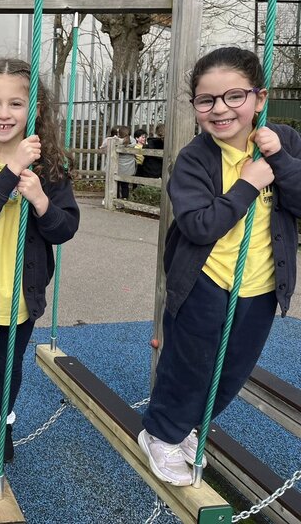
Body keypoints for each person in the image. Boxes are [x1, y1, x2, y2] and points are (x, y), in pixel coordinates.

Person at [139, 47, 301, 486]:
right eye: (206, 100)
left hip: (263, 285)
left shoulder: (283, 140)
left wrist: (281, 162)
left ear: (259, 98)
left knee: (234, 370)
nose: (221, 109)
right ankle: (160, 433)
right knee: (189, 365)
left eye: (234, 96)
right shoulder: (194, 160)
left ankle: (189, 426)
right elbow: (198, 224)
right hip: (206, 282)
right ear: (195, 107)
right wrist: (248, 184)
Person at [0, 58, 80, 470]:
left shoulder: (51, 166)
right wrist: (11, 169)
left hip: (26, 288)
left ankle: (2, 423)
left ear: (34, 109)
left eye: (16, 104)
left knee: (10, 364)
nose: (4, 114)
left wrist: (40, 199)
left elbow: (65, 228)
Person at [115, 125, 135, 199]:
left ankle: (116, 199)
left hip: (119, 167)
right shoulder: (133, 141)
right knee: (125, 185)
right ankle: (125, 199)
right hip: (129, 168)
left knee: (116, 184)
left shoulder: (117, 141)